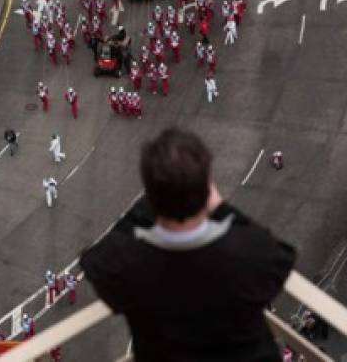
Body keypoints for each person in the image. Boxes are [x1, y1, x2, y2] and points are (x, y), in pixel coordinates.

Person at [80, 128, 296, 362]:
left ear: (151, 196)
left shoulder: (126, 263)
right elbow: (283, 258)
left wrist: (147, 204)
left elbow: (93, 259)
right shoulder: (248, 251)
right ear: (206, 191)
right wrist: (221, 208)